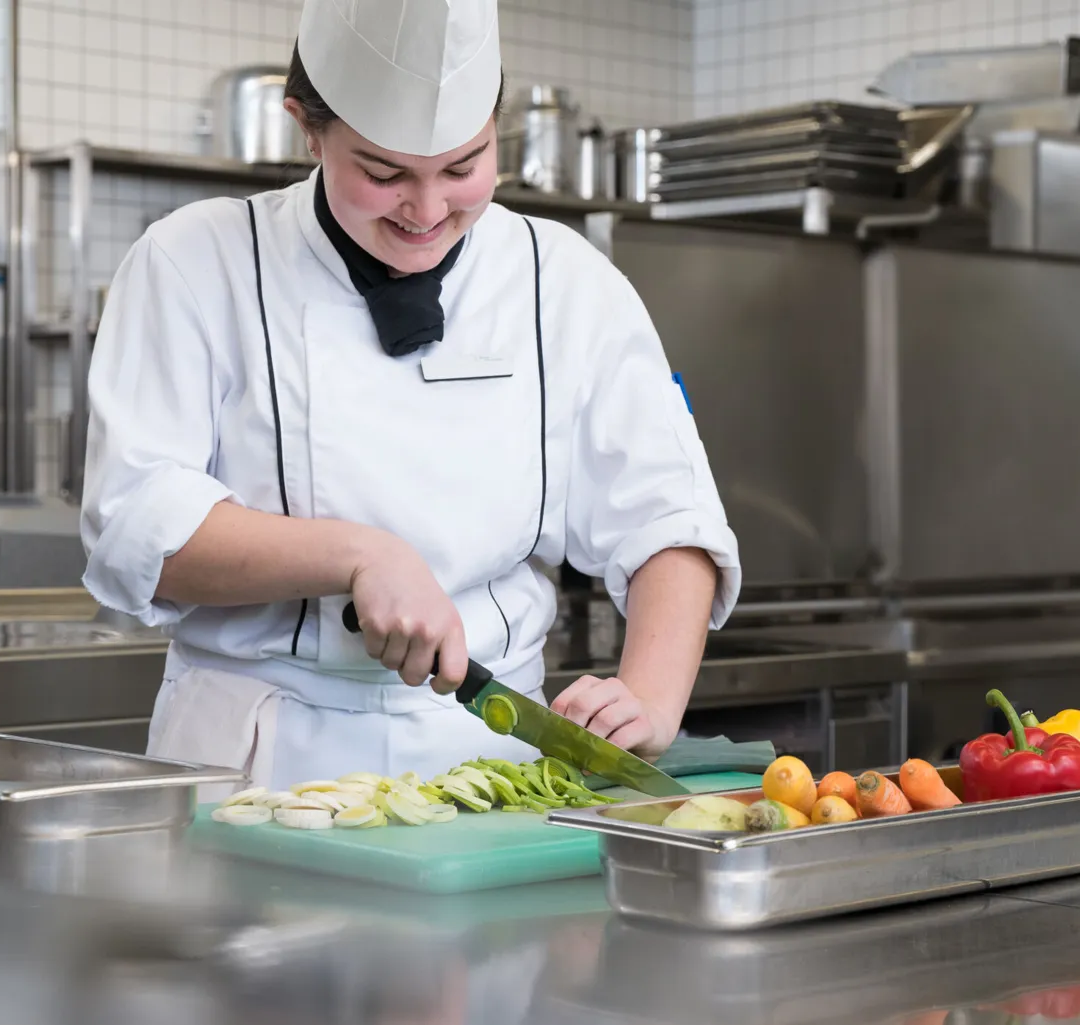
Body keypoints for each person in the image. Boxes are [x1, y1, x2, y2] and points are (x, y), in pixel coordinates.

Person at [80, 0, 741, 791]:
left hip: (495, 766)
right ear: (306, 128)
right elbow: (136, 527)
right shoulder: (193, 261)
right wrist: (358, 555)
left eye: (463, 168)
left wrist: (651, 698)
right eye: (383, 173)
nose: (426, 212)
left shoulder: (563, 278)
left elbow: (667, 515)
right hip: (256, 763)